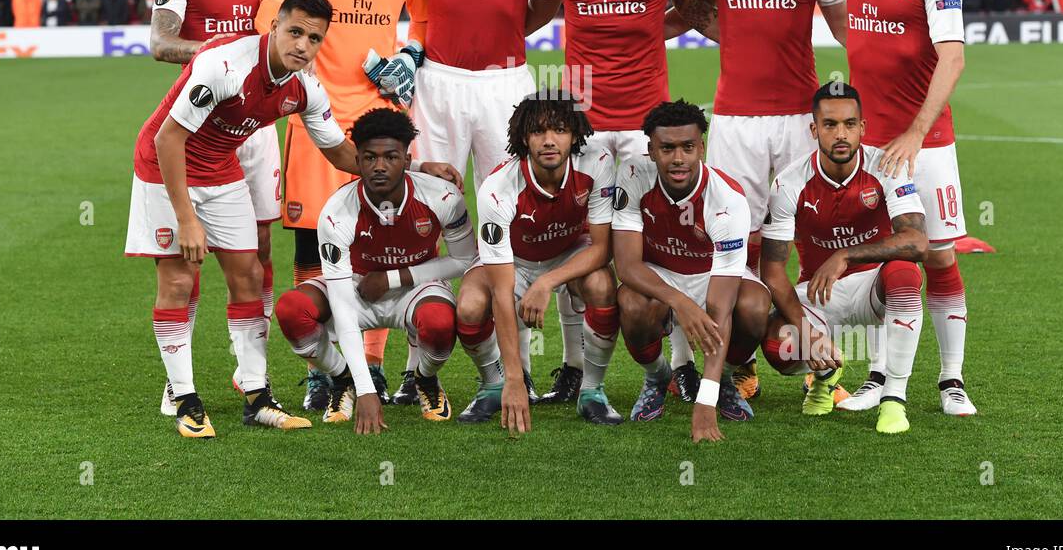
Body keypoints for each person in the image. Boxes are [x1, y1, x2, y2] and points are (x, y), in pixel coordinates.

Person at [277, 0, 573, 405]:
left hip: (505, 83)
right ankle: (419, 368)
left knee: (524, 220)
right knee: (425, 211)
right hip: (437, 85)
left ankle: (547, 366)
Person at [255, 0, 459, 410]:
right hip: (316, 120)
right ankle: (330, 369)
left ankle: (372, 364)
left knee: (385, 245)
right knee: (311, 246)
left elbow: (427, 17)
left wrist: (411, 54)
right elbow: (266, 18)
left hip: (380, 124)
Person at [666, 0, 850, 403]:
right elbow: (692, 6)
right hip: (737, 120)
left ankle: (822, 360)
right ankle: (729, 363)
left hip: (799, 117)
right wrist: (731, 32)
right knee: (729, 241)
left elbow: (846, 27)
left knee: (802, 239)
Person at [126, 0, 353, 438]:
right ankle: (185, 397)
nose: (302, 46)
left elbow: (340, 152)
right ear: (274, 26)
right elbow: (167, 139)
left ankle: (256, 394)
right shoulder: (225, 65)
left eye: (314, 38)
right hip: (163, 165)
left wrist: (413, 168)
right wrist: (187, 219)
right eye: (294, 32)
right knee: (178, 277)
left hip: (219, 168)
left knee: (248, 273)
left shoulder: (303, 87)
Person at [528, 0, 706, 401]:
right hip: (583, 124)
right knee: (576, 242)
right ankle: (574, 366)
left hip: (650, 126)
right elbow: (534, 13)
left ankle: (681, 367)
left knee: (665, 240)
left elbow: (690, 8)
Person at [837, 0, 976, 416]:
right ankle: (877, 377)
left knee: (938, 256)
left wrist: (916, 134)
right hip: (868, 148)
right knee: (879, 262)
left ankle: (951, 379)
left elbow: (954, 58)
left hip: (926, 147)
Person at [148, 0, 280, 417]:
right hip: (199, 127)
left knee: (258, 253)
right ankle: (180, 380)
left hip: (260, 128)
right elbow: (159, 41)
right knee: (190, 253)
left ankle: (251, 368)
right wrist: (224, 52)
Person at [274, 109, 477, 433]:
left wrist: (395, 277)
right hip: (356, 287)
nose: (379, 166)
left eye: (390, 157)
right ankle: (342, 380)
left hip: (416, 286)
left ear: (407, 158)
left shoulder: (442, 196)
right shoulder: (337, 212)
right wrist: (365, 386)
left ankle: (423, 379)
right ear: (357, 158)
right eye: (369, 157)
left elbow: (466, 260)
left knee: (440, 324)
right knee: (290, 310)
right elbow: (340, 303)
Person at [758, 82, 929, 434]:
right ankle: (825, 375)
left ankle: (894, 400)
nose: (841, 134)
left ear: (862, 128)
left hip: (873, 292)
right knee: (778, 347)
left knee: (904, 273)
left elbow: (917, 242)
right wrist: (806, 333)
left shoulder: (887, 167)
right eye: (830, 124)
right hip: (820, 296)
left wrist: (846, 254)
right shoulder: (789, 183)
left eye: (850, 124)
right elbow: (772, 270)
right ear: (814, 129)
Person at [454, 92, 620, 431]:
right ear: (523, 138)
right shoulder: (498, 188)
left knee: (602, 284)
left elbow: (602, 248)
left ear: (575, 134)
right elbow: (502, 291)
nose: (548, 141)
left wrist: (547, 281)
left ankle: (592, 390)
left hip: (571, 249)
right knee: (470, 306)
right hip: (513, 260)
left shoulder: (598, 161)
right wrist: (515, 378)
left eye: (558, 130)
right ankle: (494, 383)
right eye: (538, 131)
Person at [613, 100, 757, 443]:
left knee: (752, 308)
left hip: (711, 274)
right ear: (650, 149)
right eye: (667, 148)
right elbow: (627, 265)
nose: (678, 159)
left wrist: (704, 404)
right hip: (658, 273)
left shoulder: (727, 200)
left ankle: (719, 383)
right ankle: (658, 377)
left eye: (688, 147)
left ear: (701, 148)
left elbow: (721, 307)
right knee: (632, 304)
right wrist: (680, 301)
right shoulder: (632, 176)